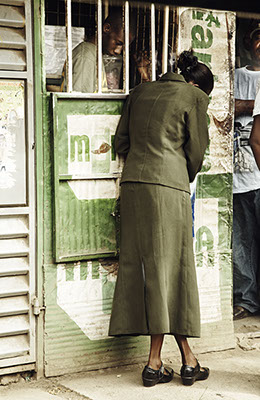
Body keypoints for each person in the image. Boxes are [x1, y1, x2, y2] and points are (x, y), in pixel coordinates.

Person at [108, 49, 214, 387]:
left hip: (134, 187)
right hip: (168, 186)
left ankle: (173, 360)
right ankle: (160, 362)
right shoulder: (193, 96)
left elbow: (121, 142)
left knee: (151, 270)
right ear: (198, 84)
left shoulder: (140, 92)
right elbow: (196, 153)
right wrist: (178, 171)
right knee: (173, 271)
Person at [233, 23, 260, 320]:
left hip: (259, 174)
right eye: (258, 38)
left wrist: (245, 106)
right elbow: (223, 105)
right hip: (240, 176)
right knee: (241, 242)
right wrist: (254, 105)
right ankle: (246, 300)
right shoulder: (236, 76)